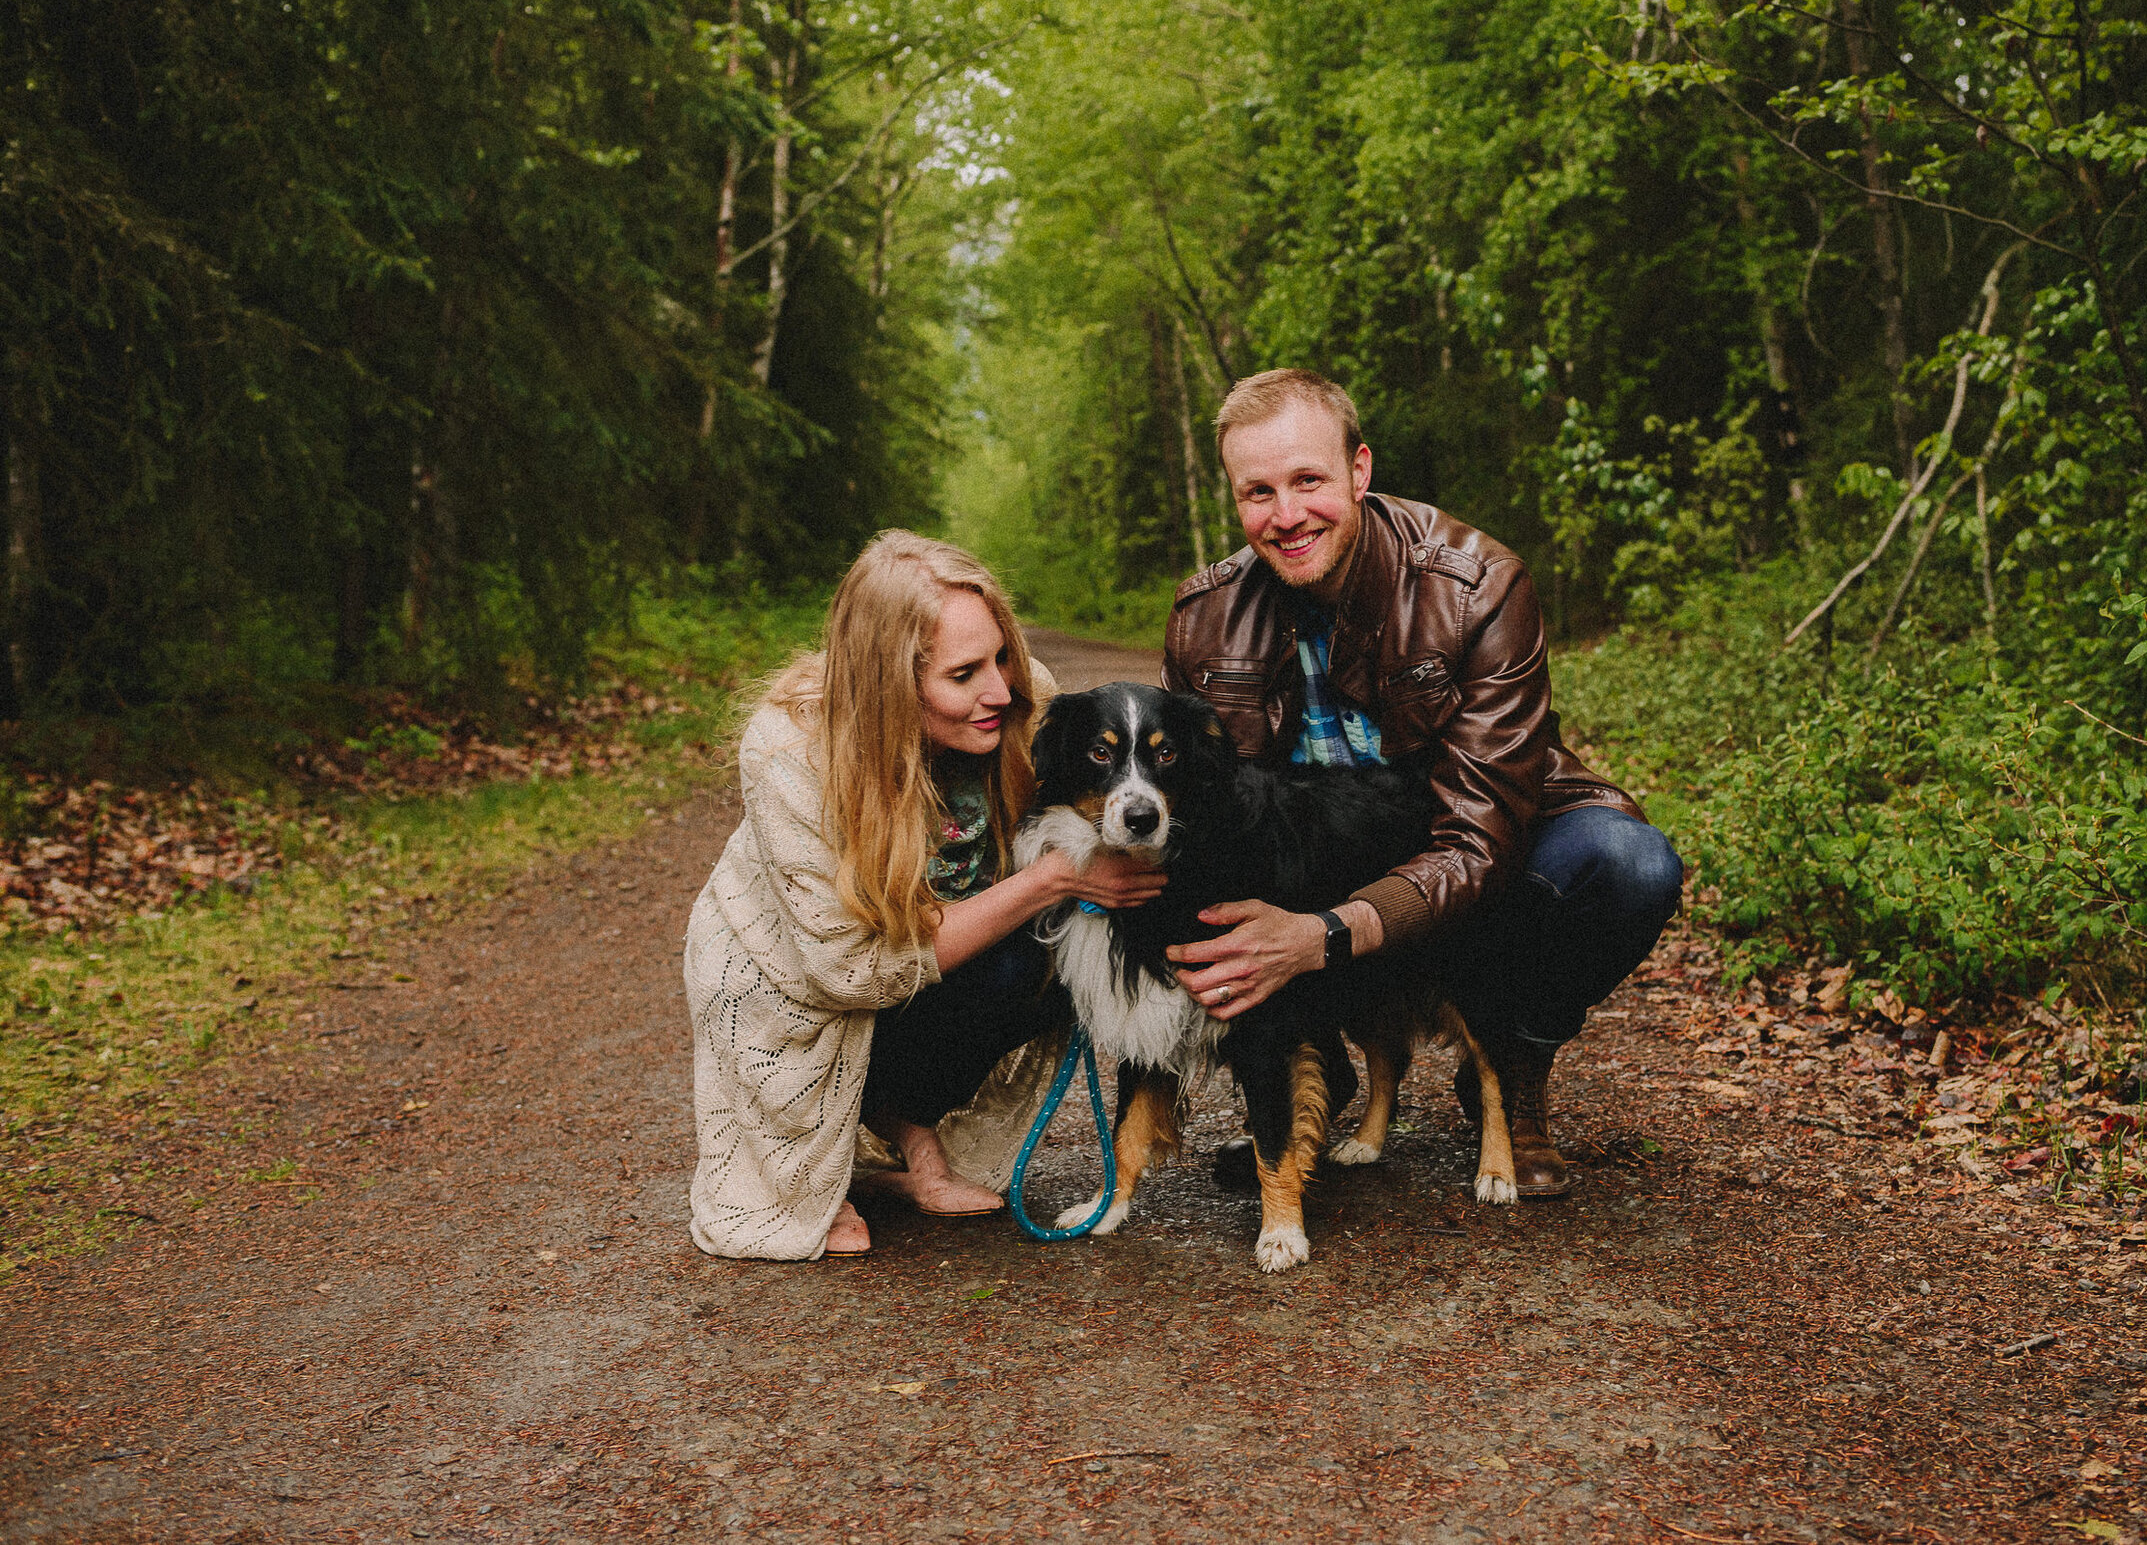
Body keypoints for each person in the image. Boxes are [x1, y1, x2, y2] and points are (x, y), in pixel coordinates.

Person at [1161, 370, 1684, 1197]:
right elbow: (1208, 821)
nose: (1285, 515)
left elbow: (1477, 840)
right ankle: (1315, 1072)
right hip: (1331, 858)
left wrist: (1322, 935)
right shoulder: (1203, 616)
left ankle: (1515, 1063)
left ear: (1359, 470)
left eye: (1308, 480)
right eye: (1257, 492)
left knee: (1630, 864)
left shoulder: (1477, 585)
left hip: (1482, 846)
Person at [683, 531, 1164, 1259]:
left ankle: (904, 1128)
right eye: (964, 673)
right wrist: (1052, 878)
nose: (1001, 690)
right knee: (789, 1205)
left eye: (1001, 655)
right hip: (785, 980)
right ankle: (826, 1161)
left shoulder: (1019, 700)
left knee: (1056, 960)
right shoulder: (788, 750)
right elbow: (847, 969)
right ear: (888, 685)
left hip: (934, 948)